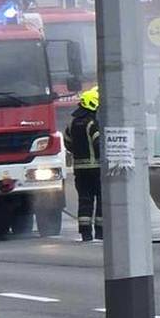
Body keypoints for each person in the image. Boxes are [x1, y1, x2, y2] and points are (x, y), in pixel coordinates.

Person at [63, 87, 102, 242]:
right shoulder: (92, 123)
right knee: (101, 199)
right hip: (96, 168)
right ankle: (100, 232)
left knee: (84, 199)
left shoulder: (72, 123)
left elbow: (67, 143)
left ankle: (85, 232)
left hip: (79, 169)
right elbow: (98, 144)